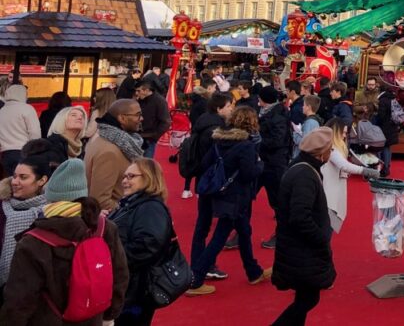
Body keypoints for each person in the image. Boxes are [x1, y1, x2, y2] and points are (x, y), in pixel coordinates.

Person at [0, 158, 130, 326]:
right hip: (92, 317)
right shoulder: (105, 228)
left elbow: (20, 299)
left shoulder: (33, 241)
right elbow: (120, 276)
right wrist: (109, 315)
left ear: (50, 196)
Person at [187, 105, 271, 295]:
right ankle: (196, 278)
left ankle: (253, 271)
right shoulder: (246, 146)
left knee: (244, 230)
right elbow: (249, 173)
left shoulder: (219, 141)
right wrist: (260, 165)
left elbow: (205, 164)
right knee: (221, 236)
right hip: (234, 196)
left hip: (215, 191)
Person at [270, 127, 336, 326]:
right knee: (308, 298)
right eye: (330, 149)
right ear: (321, 152)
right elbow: (300, 216)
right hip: (302, 248)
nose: (331, 153)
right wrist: (320, 238)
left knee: (305, 297)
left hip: (297, 246)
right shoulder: (304, 175)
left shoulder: (302, 167)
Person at [108, 158, 174, 326]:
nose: (124, 181)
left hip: (135, 291)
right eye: (124, 176)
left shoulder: (151, 208)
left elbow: (148, 246)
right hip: (126, 286)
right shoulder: (132, 203)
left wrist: (113, 259)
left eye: (131, 176)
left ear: (148, 178)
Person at [187, 92, 233, 280]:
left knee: (203, 224)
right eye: (229, 105)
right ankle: (204, 265)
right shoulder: (215, 129)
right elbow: (214, 158)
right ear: (219, 108)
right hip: (212, 181)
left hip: (203, 179)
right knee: (213, 225)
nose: (231, 109)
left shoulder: (202, 122)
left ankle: (199, 262)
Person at [0, 153, 50, 299]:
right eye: (14, 176)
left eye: (23, 177)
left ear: (42, 180)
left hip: (35, 291)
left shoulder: (50, 212)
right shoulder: (2, 206)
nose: (15, 182)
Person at [321, 118, 379, 233]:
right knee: (325, 230)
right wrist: (365, 170)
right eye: (342, 132)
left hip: (331, 191)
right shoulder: (330, 148)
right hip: (328, 193)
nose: (344, 136)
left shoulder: (333, 147)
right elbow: (344, 166)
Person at [85, 99, 144, 211]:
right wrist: (131, 213)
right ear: (122, 118)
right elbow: (101, 201)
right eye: (138, 115)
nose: (141, 118)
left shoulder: (107, 140)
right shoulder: (109, 152)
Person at [257, 85, 291, 249]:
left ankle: (282, 234)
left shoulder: (277, 116)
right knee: (246, 195)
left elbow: (278, 141)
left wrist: (258, 142)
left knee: (278, 201)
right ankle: (238, 231)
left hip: (274, 163)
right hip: (264, 162)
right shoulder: (270, 113)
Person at [0, 84, 41, 177]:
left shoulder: (2, 111)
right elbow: (35, 133)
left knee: (11, 183)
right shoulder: (27, 108)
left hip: (5, 155)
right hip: (24, 152)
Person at [136, 80, 171, 160]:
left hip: (149, 138)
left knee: (146, 165)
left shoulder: (160, 101)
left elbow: (166, 122)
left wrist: (154, 136)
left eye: (139, 91)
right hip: (138, 136)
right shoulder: (141, 99)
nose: (137, 93)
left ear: (147, 90)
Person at [375, 85, 402, 178]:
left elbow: (381, 116)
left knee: (381, 147)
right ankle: (387, 166)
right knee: (388, 147)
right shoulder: (393, 99)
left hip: (384, 127)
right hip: (392, 126)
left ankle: (382, 167)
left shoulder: (383, 100)